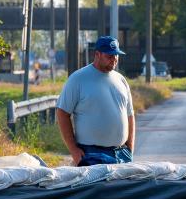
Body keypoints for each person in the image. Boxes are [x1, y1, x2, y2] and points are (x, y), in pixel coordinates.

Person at [56, 36, 135, 166]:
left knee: (122, 187)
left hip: (122, 153)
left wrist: (130, 148)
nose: (114, 59)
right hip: (92, 154)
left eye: (116, 55)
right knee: (97, 187)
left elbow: (130, 115)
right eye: (109, 56)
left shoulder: (121, 80)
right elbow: (62, 113)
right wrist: (74, 150)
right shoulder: (78, 79)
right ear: (97, 54)